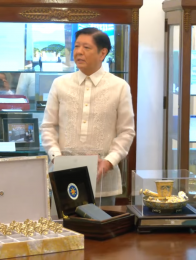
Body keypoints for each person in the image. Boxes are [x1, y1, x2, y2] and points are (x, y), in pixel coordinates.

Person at [41, 28, 135, 206]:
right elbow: (48, 127)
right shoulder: (60, 84)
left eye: (86, 47)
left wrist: (108, 162)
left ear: (102, 53)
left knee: (99, 231)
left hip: (103, 180)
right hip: (62, 175)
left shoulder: (119, 86)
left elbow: (126, 132)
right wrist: (56, 157)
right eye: (76, 46)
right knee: (64, 231)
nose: (79, 52)